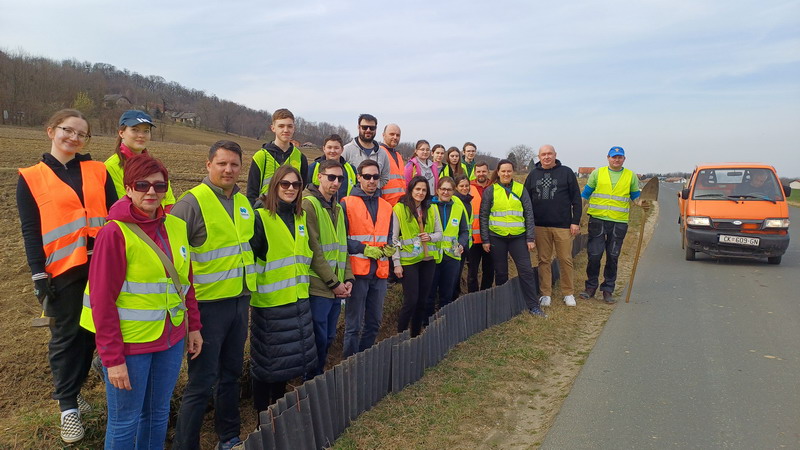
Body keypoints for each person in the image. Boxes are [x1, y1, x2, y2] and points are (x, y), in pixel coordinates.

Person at [80, 154, 203, 448]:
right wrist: (113, 360)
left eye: (159, 187)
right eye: (142, 184)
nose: (151, 192)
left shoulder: (175, 226)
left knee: (158, 413)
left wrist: (194, 327)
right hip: (131, 346)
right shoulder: (114, 233)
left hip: (170, 338)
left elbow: (185, 284)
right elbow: (102, 300)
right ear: (128, 188)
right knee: (125, 421)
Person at [16, 109, 117, 444]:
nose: (74, 138)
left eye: (81, 134)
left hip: (101, 265)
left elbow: (115, 217)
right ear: (51, 131)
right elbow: (31, 232)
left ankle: (75, 395)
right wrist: (37, 275)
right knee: (66, 337)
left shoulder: (98, 170)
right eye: (68, 131)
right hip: (63, 270)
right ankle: (67, 409)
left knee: (92, 333)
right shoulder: (31, 177)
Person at [172, 141, 255, 450]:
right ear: (208, 165)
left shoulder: (244, 203)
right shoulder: (190, 204)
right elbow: (176, 264)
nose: (228, 170)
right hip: (207, 308)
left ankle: (229, 435)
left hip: (238, 302)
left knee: (231, 373)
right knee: (201, 381)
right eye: (222, 163)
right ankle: (185, 444)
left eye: (234, 164)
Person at [248, 165, 317, 413]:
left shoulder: (300, 218)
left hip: (298, 302)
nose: (290, 189)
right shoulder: (261, 218)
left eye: (295, 185)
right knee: (266, 367)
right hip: (270, 306)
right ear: (274, 186)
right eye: (284, 184)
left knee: (285, 366)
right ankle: (261, 418)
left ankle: (278, 414)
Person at [302, 159, 354, 376]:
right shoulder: (309, 204)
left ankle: (318, 375)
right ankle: (310, 382)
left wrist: (349, 278)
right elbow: (313, 250)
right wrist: (334, 283)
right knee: (318, 337)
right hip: (319, 286)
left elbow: (343, 245)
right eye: (331, 177)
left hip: (337, 286)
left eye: (340, 178)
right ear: (319, 176)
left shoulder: (338, 208)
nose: (335, 182)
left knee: (330, 335)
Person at [340, 160, 394, 358]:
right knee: (353, 325)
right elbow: (339, 239)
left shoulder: (387, 207)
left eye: (376, 177)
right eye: (368, 177)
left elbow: (389, 235)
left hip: (380, 272)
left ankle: (364, 358)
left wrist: (389, 246)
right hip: (357, 273)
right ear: (359, 178)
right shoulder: (346, 203)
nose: (372, 181)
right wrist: (363, 248)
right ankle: (348, 363)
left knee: (374, 322)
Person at [479, 159, 545, 317]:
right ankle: (503, 305)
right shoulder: (491, 190)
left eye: (509, 171)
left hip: (518, 238)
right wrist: (486, 240)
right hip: (497, 237)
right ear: (498, 172)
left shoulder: (520, 189)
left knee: (526, 271)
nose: (506, 174)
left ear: (513, 172)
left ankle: (533, 306)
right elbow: (483, 216)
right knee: (501, 273)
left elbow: (528, 213)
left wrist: (530, 238)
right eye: (503, 171)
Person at [580, 146, 641, 304]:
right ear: (608, 158)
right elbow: (585, 195)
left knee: (613, 256)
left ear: (624, 159)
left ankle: (608, 289)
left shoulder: (630, 176)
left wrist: (643, 204)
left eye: (620, 157)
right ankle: (590, 287)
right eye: (614, 157)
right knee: (594, 255)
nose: (616, 159)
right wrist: (577, 217)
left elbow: (636, 197)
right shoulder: (597, 173)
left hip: (619, 222)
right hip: (597, 220)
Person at [524, 145, 582, 308]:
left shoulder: (566, 172)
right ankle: (546, 294)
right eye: (543, 154)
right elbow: (526, 200)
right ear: (539, 156)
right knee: (543, 260)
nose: (547, 157)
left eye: (550, 154)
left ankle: (568, 293)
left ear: (555, 155)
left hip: (563, 226)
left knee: (565, 259)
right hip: (540, 226)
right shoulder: (533, 175)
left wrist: (575, 221)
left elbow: (576, 199)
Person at [392, 176, 443, 336]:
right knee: (411, 301)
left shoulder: (432, 208)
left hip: (428, 260)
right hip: (408, 261)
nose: (420, 193)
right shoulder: (399, 209)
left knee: (423, 300)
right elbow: (394, 239)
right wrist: (396, 263)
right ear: (411, 190)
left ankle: (415, 334)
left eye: (424, 190)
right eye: (418, 189)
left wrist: (431, 237)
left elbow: (440, 233)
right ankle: (399, 335)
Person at [106, 110, 176, 210]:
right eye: (135, 130)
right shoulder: (111, 167)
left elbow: (169, 201)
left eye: (146, 131)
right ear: (121, 133)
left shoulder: (155, 166)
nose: (141, 135)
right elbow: (123, 205)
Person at [426, 177, 469, 320]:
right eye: (443, 189)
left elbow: (464, 231)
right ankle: (428, 324)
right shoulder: (428, 206)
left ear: (453, 191)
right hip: (432, 257)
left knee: (447, 293)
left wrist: (462, 243)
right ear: (437, 190)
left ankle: (444, 322)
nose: (445, 192)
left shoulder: (458, 208)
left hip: (451, 257)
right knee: (429, 293)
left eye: (449, 189)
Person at [246, 108, 309, 206]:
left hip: (290, 214)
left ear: (294, 128)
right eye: (281, 126)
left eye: (289, 126)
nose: (286, 130)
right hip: (265, 212)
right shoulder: (261, 156)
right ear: (273, 128)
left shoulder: (301, 158)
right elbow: (251, 193)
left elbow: (302, 191)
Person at [467, 162, 494, 293]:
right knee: (472, 271)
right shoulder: (468, 187)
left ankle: (485, 294)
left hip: (491, 236)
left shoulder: (494, 186)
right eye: (478, 171)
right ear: (475, 172)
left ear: (488, 171)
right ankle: (473, 296)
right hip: (473, 238)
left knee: (489, 270)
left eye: (483, 171)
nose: (481, 174)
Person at [342, 114, 389, 186]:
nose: (368, 130)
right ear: (358, 127)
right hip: (352, 196)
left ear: (376, 129)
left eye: (372, 128)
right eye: (364, 127)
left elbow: (385, 178)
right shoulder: (346, 150)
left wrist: (372, 187)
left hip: (374, 196)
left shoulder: (382, 153)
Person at [307, 134, 357, 198]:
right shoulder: (312, 168)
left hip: (345, 207)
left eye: (336, 148)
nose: (332, 151)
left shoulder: (351, 169)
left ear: (342, 149)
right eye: (329, 147)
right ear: (324, 149)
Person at [451, 174, 474, 300]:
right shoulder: (456, 201)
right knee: (454, 273)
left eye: (467, 186)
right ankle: (452, 298)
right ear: (456, 187)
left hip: (464, 243)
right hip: (456, 243)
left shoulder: (467, 201)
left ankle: (456, 295)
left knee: (458, 272)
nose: (465, 188)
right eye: (461, 186)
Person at [380, 124, 406, 206]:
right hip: (385, 204)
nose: (395, 137)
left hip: (400, 204)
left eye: (398, 135)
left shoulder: (398, 155)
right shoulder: (379, 153)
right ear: (383, 135)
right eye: (391, 134)